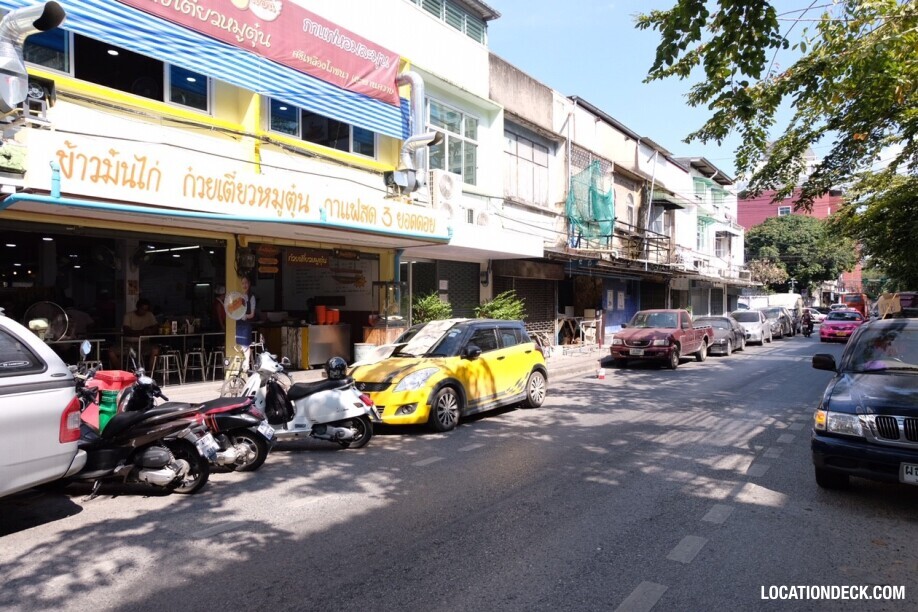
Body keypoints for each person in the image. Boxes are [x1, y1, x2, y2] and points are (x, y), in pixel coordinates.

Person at [109, 298, 160, 370]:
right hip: (128, 344)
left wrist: (151, 331)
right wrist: (141, 332)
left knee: (155, 350)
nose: (144, 312)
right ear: (137, 307)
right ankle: (121, 372)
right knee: (111, 351)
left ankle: (151, 374)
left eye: (146, 310)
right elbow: (126, 330)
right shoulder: (128, 316)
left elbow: (156, 326)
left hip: (144, 344)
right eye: (142, 309)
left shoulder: (149, 315)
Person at [235, 276, 257, 369]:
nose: (244, 285)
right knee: (237, 344)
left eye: (246, 283)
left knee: (246, 343)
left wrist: (245, 316)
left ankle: (246, 362)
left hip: (246, 324)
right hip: (238, 324)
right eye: (243, 283)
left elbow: (252, 314)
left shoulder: (252, 297)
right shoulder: (237, 296)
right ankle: (238, 364)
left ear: (249, 284)